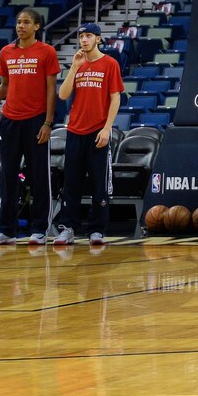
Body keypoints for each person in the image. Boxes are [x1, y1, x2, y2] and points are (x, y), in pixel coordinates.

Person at [0, 7, 58, 245]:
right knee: (8, 175)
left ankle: (40, 229)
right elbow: (5, 84)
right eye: (18, 22)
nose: (21, 26)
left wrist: (48, 122)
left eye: (26, 22)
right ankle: (6, 229)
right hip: (10, 120)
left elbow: (50, 90)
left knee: (38, 177)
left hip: (36, 120)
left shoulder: (47, 52)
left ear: (37, 26)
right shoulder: (6, 52)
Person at [53, 22, 123, 245]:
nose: (84, 40)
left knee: (98, 184)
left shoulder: (110, 63)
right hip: (75, 131)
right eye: (81, 36)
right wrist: (73, 68)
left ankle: (97, 229)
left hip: (98, 132)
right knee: (71, 183)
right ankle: (68, 228)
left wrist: (107, 128)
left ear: (98, 39)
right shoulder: (77, 64)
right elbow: (63, 95)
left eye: (89, 36)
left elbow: (115, 98)